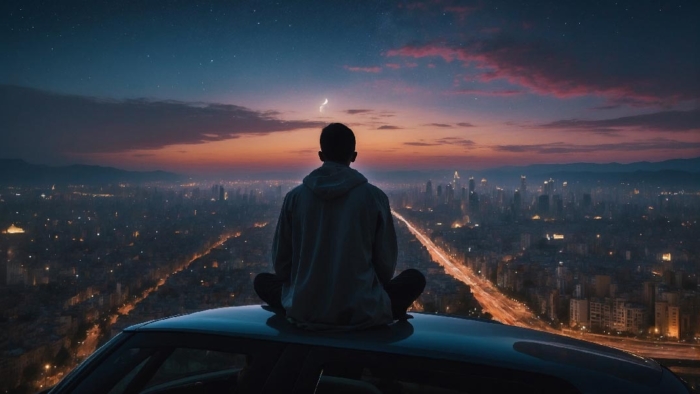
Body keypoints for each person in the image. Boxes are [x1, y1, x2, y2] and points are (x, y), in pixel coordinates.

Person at [254, 123, 425, 331]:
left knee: (262, 281)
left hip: (304, 309)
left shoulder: (295, 198)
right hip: (363, 309)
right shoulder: (375, 197)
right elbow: (386, 268)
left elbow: (281, 265)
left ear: (320, 155)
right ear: (354, 156)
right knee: (414, 278)